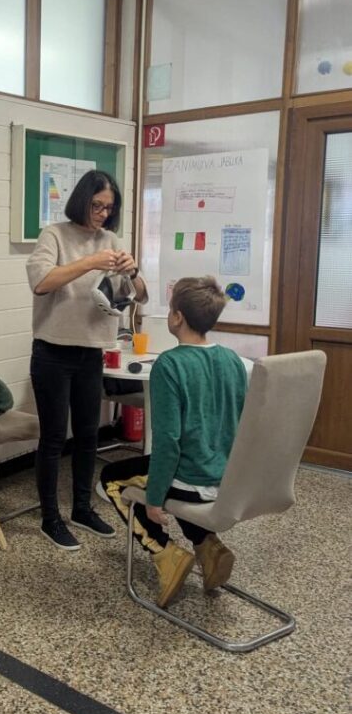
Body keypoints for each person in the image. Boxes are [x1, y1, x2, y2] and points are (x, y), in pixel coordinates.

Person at [97, 276, 252, 607]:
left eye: (170, 309)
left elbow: (168, 443)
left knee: (111, 478)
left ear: (177, 317)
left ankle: (165, 553)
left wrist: (154, 500)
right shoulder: (231, 360)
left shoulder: (169, 365)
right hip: (228, 480)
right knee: (169, 471)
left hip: (192, 479)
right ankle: (208, 546)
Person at [26, 170, 148, 551]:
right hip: (52, 352)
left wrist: (133, 270)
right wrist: (91, 261)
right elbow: (41, 282)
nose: (102, 214)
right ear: (81, 200)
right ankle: (50, 518)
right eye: (97, 205)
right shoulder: (54, 235)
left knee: (88, 435)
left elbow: (141, 295)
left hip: (91, 353)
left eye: (109, 208)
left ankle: (82, 508)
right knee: (53, 438)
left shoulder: (111, 239)